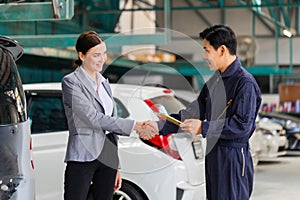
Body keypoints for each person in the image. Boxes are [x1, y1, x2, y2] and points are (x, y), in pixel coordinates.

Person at [145, 24, 262, 200]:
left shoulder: (244, 83)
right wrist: (159, 125)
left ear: (222, 50)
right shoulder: (214, 82)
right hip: (213, 154)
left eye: (207, 50)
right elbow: (191, 114)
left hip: (233, 157)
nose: (204, 56)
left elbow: (242, 126)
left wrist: (204, 128)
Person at [61, 30, 156, 200]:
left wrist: (116, 164)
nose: (102, 59)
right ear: (82, 56)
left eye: (104, 54)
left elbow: (110, 125)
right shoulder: (71, 82)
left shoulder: (104, 82)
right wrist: (135, 125)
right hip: (83, 155)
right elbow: (92, 118)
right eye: (96, 55)